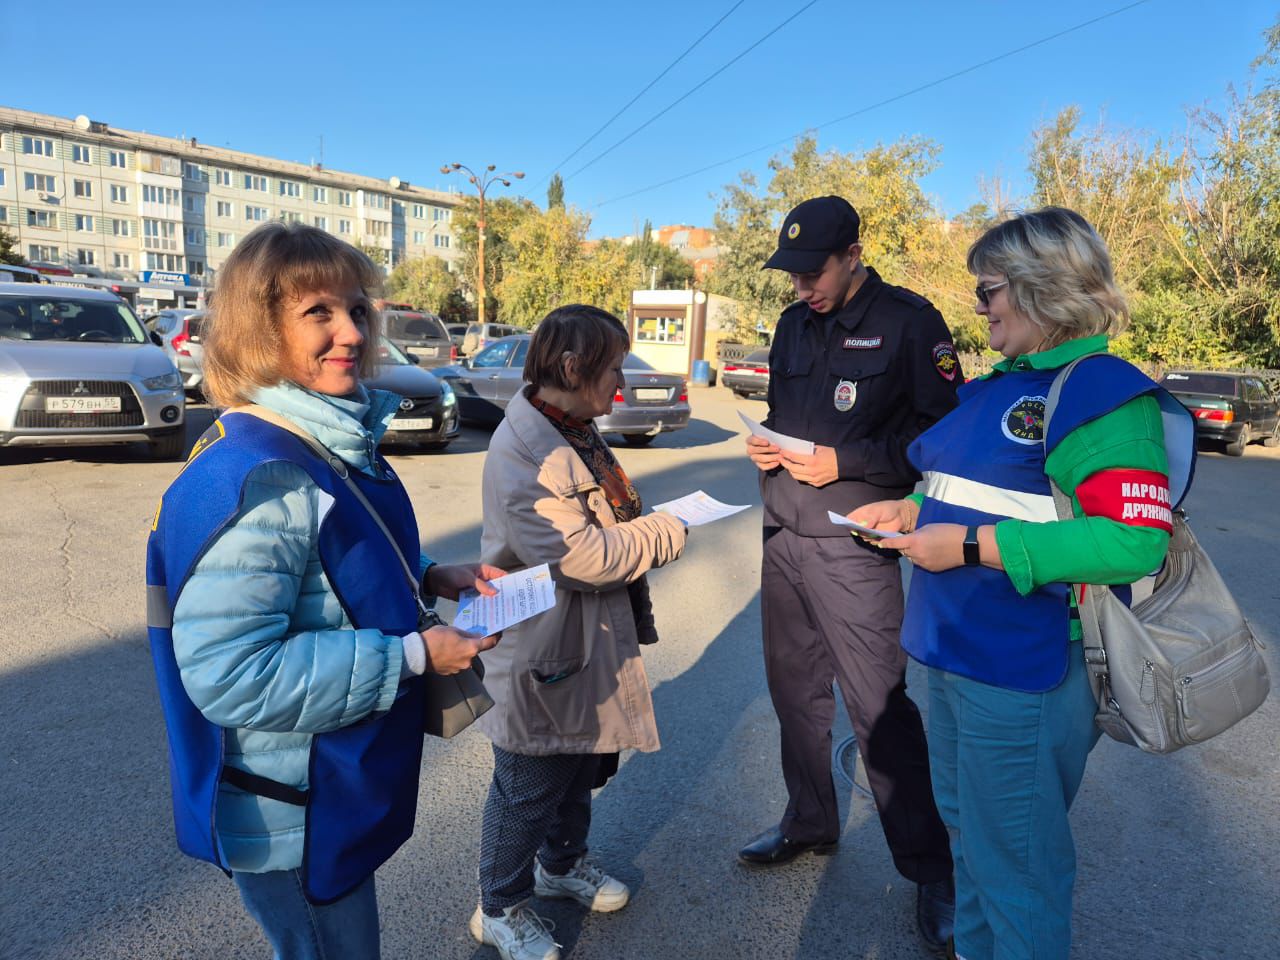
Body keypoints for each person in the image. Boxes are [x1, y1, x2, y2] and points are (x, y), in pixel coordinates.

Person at [145, 222, 502, 960]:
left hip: (320, 788)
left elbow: (323, 560)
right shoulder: (265, 475)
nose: (350, 331)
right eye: (318, 313)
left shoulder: (301, 440)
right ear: (260, 327)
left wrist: (430, 574)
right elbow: (229, 675)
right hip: (292, 811)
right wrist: (410, 656)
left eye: (357, 310)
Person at [851, 207, 1194, 959]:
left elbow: (1133, 540)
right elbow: (970, 487)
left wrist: (970, 546)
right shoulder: (999, 385)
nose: (978, 305)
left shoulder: (1103, 390)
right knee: (972, 848)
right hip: (950, 653)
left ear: (1043, 289)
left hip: (1021, 671)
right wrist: (908, 507)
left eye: (989, 288)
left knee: (1018, 873)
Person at [740, 195, 960, 952]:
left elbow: (942, 434)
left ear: (854, 253)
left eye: (814, 271)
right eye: (793, 273)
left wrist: (851, 463)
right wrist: (765, 446)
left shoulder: (909, 321)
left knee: (879, 707)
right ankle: (810, 820)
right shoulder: (792, 324)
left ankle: (932, 870)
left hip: (856, 543)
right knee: (795, 696)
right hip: (783, 534)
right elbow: (780, 408)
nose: (802, 286)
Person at [469, 304, 688, 960]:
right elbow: (583, 559)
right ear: (572, 367)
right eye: (613, 369)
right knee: (528, 784)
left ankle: (560, 866)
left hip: (580, 638)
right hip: (542, 640)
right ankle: (499, 907)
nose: (619, 383)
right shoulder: (527, 451)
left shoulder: (571, 427)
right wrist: (666, 530)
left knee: (574, 765)